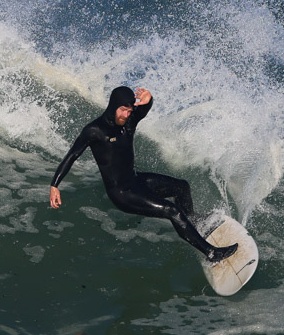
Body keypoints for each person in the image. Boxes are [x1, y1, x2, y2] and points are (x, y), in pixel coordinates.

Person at [48, 86, 238, 263]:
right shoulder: (94, 131)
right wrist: (55, 185)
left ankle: (193, 222)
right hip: (122, 193)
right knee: (172, 211)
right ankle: (212, 253)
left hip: (136, 180)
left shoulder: (128, 123)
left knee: (182, 187)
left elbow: (144, 109)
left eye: (130, 111)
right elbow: (72, 155)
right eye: (123, 110)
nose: (126, 115)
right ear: (113, 106)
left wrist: (149, 99)